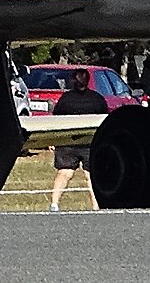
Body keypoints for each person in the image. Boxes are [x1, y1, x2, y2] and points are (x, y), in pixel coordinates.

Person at [47, 72, 106, 210]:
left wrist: (52, 139)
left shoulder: (65, 99)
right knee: (91, 176)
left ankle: (54, 204)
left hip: (68, 141)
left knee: (64, 172)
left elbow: (56, 119)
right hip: (91, 142)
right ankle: (96, 207)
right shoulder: (97, 99)